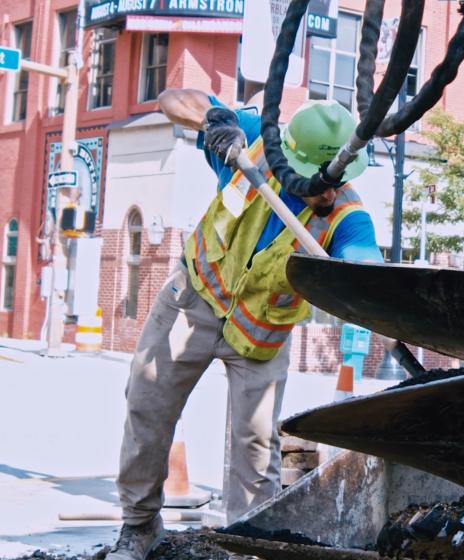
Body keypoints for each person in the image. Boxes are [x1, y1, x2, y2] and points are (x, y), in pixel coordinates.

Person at [105, 89, 383, 560]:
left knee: (256, 446)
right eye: (324, 181)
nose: (333, 191)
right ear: (293, 160)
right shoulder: (253, 143)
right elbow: (174, 98)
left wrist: (367, 287)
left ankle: (248, 545)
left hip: (259, 339)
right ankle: (138, 526)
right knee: (147, 408)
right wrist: (216, 120)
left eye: (340, 178)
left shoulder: (347, 217)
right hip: (193, 299)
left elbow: (367, 272)